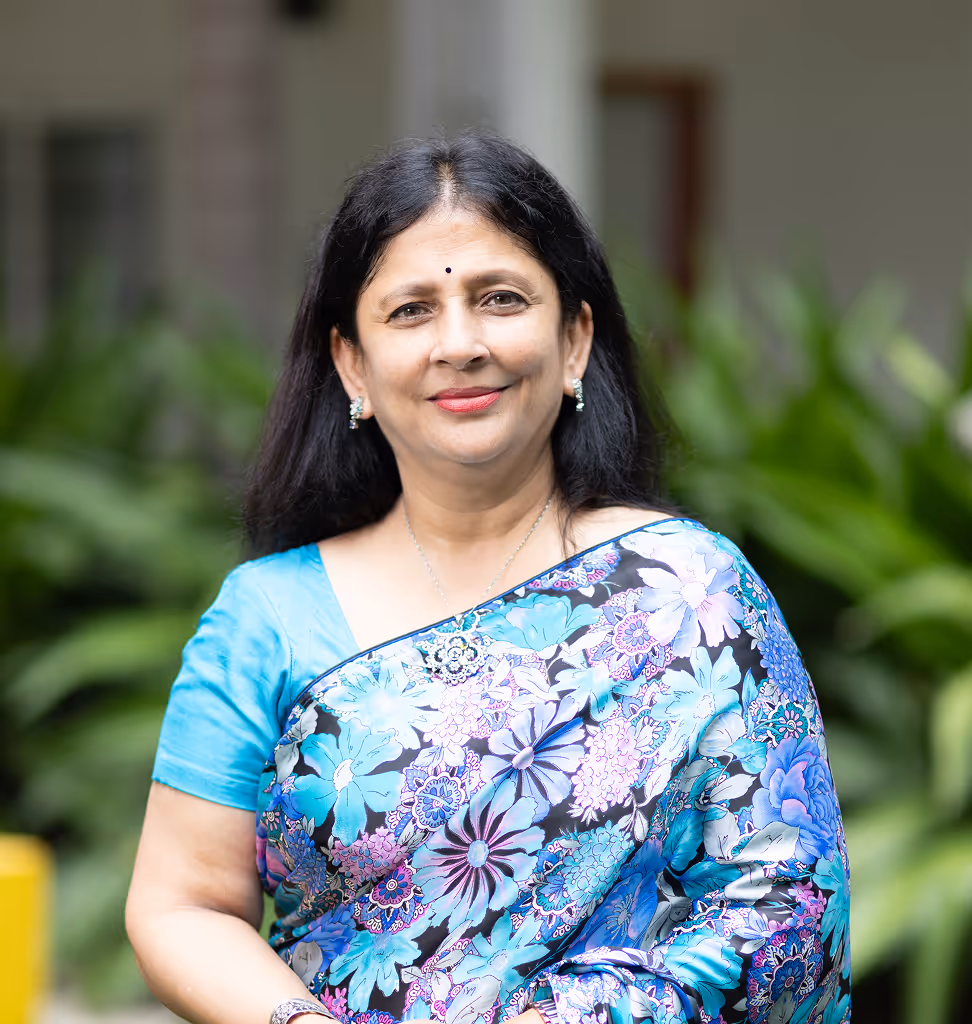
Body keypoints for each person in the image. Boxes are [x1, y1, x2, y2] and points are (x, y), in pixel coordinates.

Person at [126, 130, 851, 1024]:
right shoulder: (267, 616)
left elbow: (790, 903)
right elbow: (182, 904)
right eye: (410, 311)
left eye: (500, 298)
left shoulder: (690, 593)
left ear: (575, 338)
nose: (459, 342)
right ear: (351, 361)